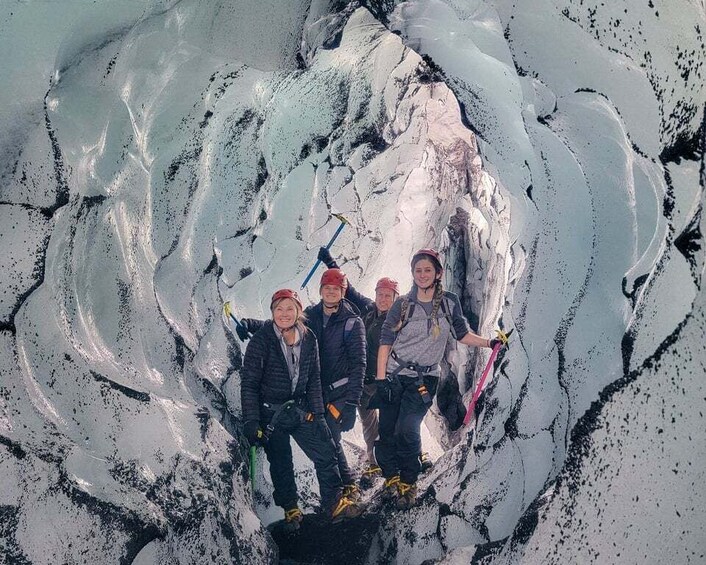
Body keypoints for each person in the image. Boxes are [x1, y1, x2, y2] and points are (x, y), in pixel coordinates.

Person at [373, 249, 504, 509]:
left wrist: (489, 342)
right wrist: (381, 380)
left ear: (438, 273)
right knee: (387, 431)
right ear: (413, 274)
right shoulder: (402, 305)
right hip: (394, 374)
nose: (422, 274)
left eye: (427, 270)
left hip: (424, 378)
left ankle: (408, 483)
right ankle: (391, 478)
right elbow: (385, 341)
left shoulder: (449, 302)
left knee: (408, 429)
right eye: (418, 270)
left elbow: (462, 334)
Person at [238, 270, 367, 502]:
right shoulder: (312, 315)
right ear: (320, 291)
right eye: (326, 287)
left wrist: (351, 404)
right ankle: (342, 488)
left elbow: (359, 365)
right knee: (321, 443)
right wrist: (250, 324)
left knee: (329, 439)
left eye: (335, 288)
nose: (330, 292)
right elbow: (280, 322)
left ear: (343, 292)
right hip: (312, 392)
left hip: (337, 391)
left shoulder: (351, 322)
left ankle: (343, 489)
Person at [317, 247, 432, 488]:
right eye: (380, 294)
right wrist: (330, 261)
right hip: (365, 382)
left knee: (403, 421)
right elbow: (345, 289)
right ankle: (375, 459)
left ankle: (415, 454)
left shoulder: (402, 320)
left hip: (392, 382)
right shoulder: (367, 310)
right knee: (370, 424)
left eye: (388, 295)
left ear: (396, 298)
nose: (383, 298)